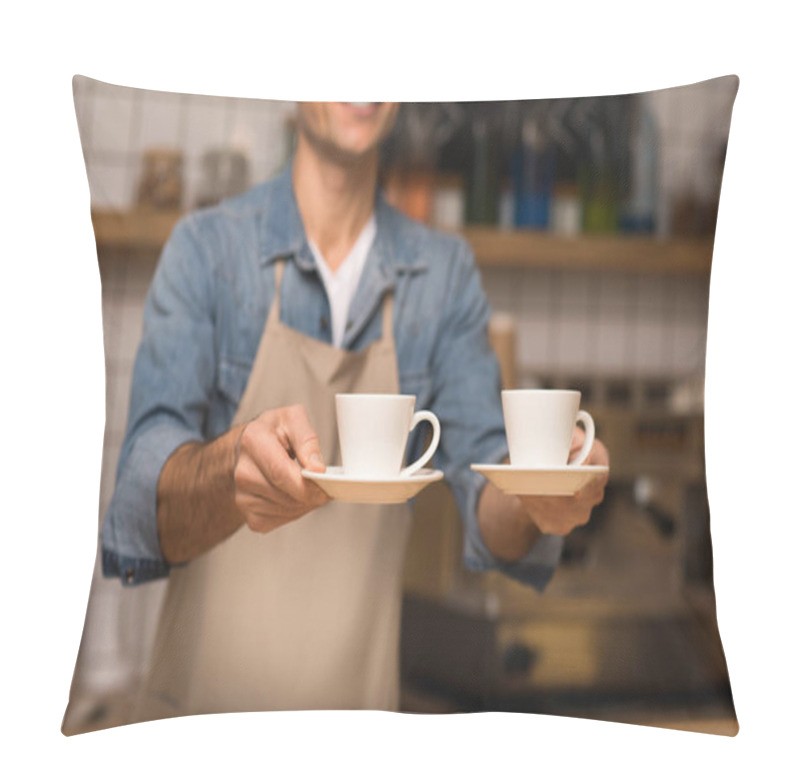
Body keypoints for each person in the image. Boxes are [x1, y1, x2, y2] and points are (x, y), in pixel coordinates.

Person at [101, 101, 609, 720]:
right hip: (202, 728)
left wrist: (543, 496)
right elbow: (145, 506)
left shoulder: (443, 278)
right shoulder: (206, 251)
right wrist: (228, 466)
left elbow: (490, 499)